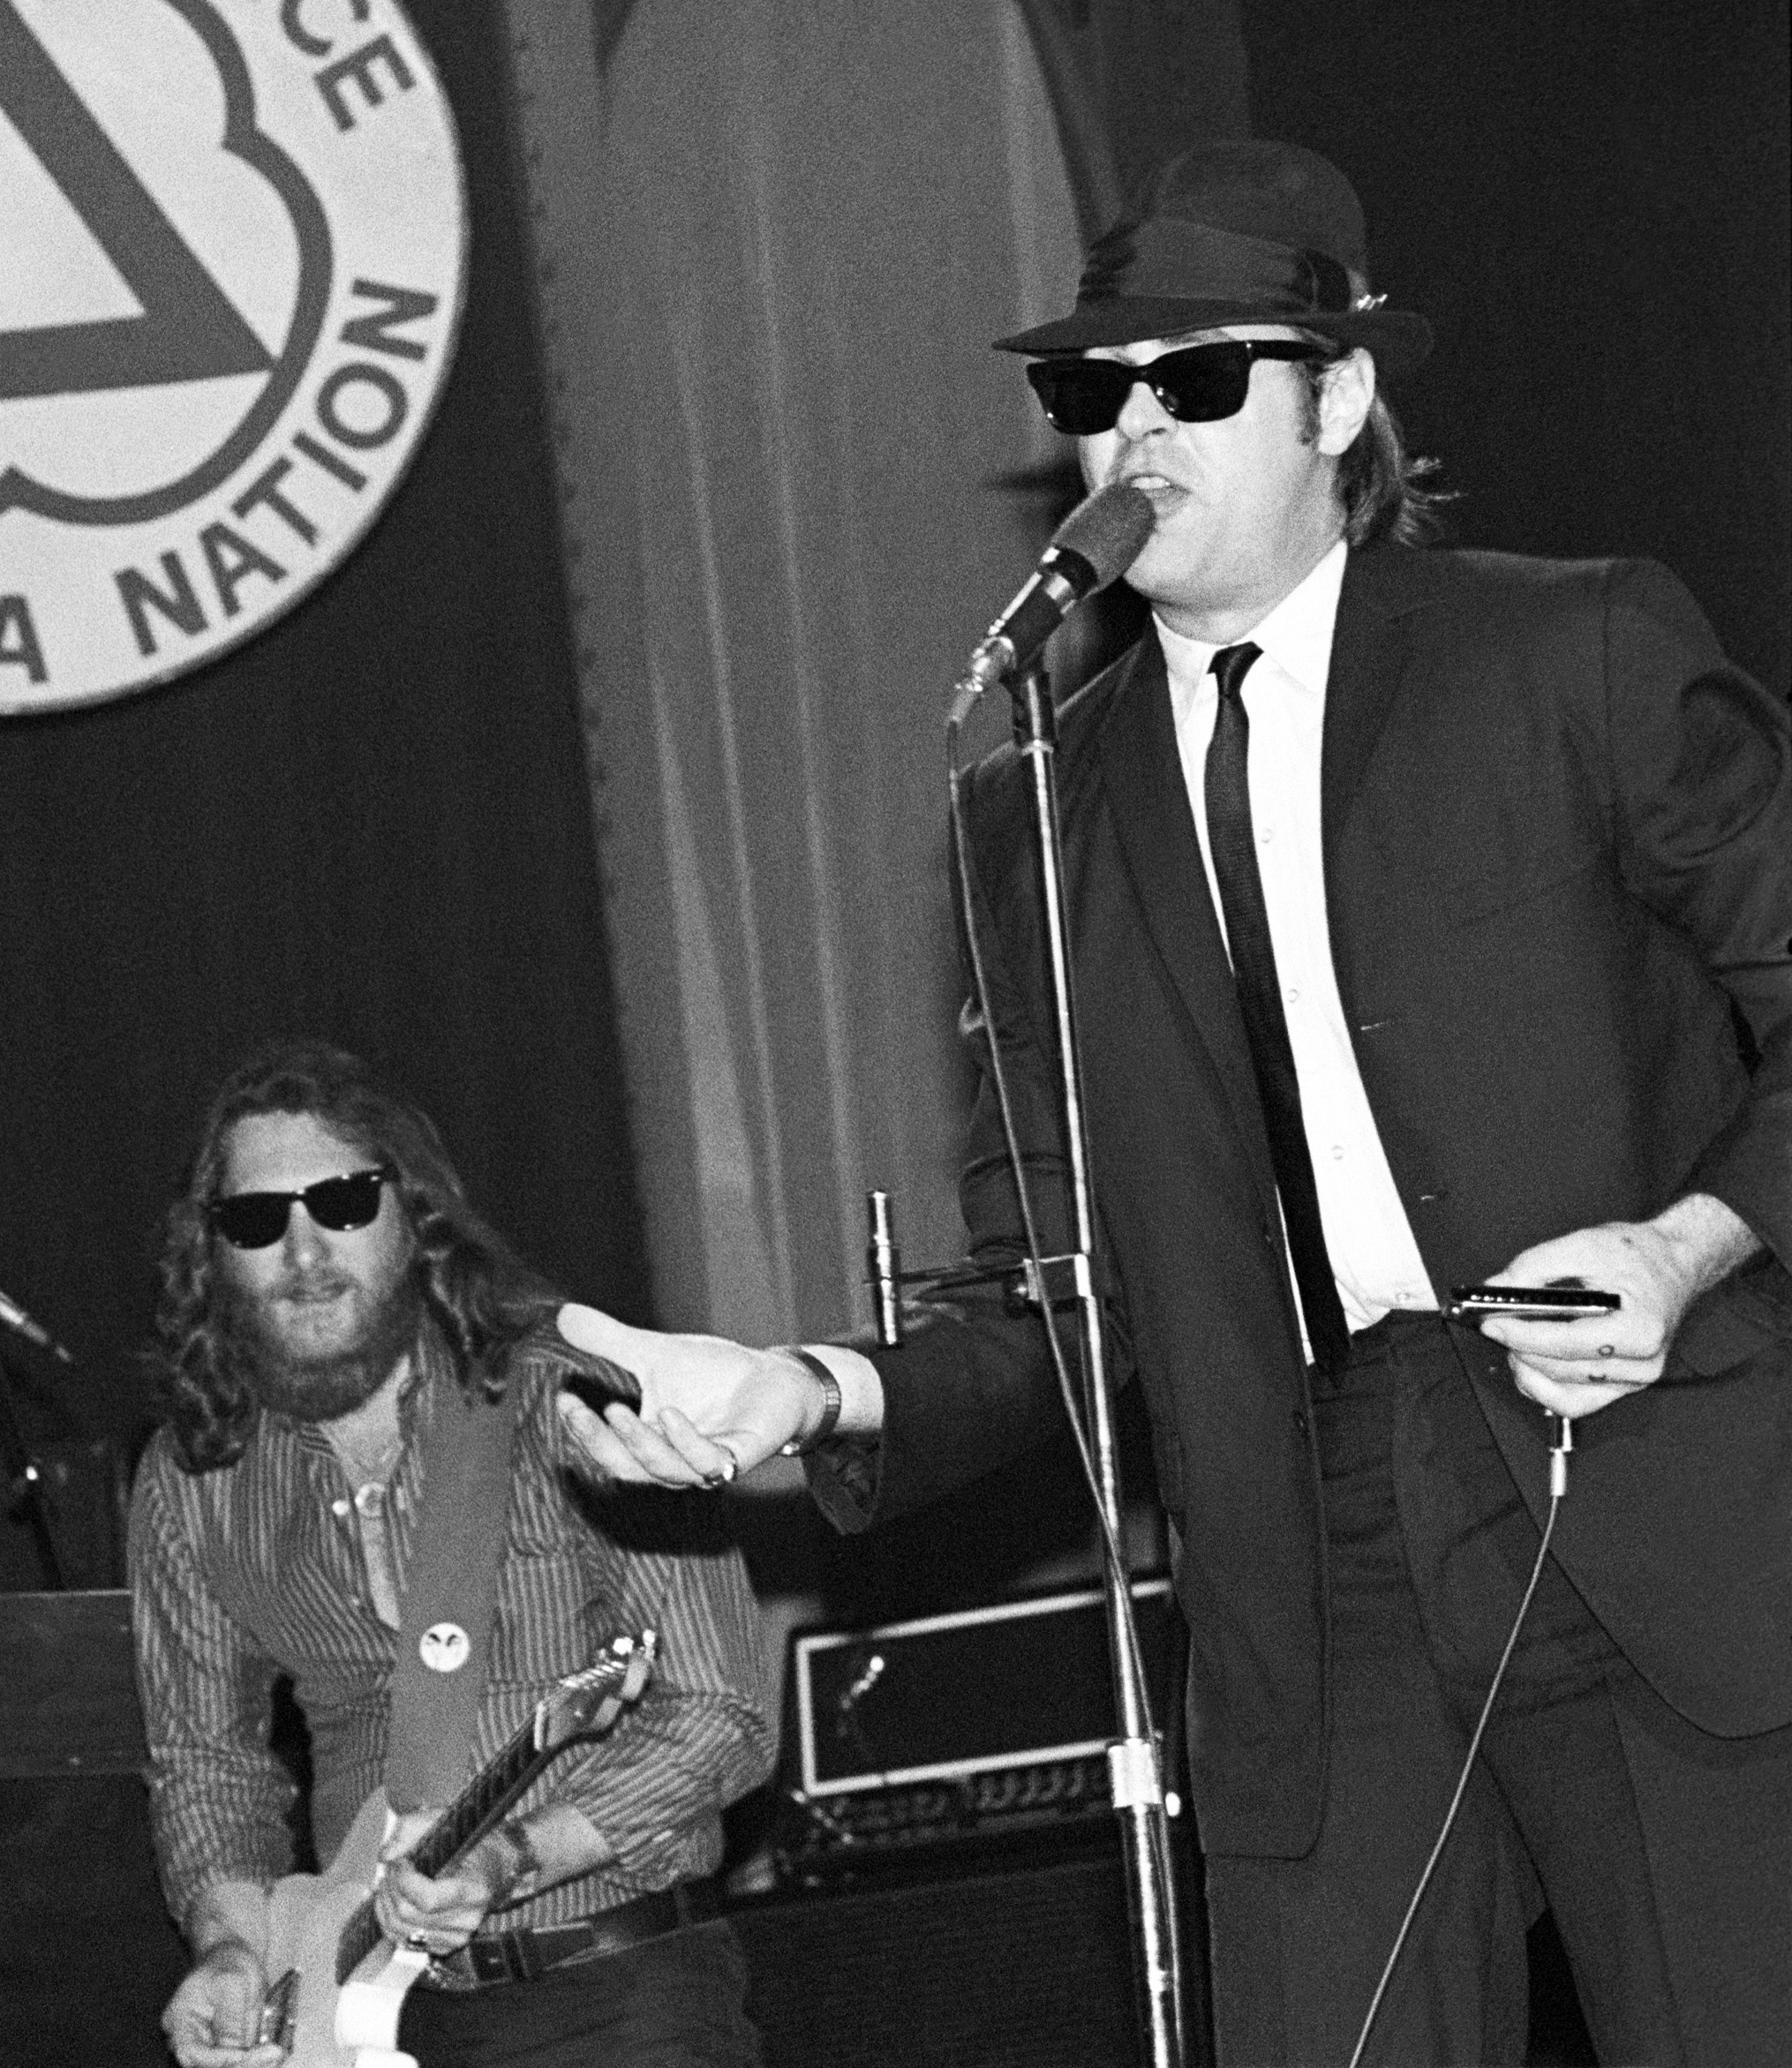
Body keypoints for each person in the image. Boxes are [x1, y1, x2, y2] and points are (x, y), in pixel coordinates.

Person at [558, 141, 1792, 2064]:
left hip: (1624, 1486)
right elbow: (1051, 1279)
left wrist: (1680, 1243)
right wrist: (809, 1392)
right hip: (1309, 1555)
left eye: (1191, 380)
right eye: (1086, 390)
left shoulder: (1570, 653)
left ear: (1340, 398)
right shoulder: (1029, 811)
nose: (1127, 430)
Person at [131, 1042, 775, 2068]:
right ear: (211, 1254)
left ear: (415, 1214)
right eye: (257, 1220)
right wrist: (226, 1948)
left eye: (341, 1202)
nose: (302, 1251)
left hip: (613, 1988)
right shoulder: (193, 1478)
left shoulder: (573, 1399)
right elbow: (208, 1764)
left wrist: (514, 1858)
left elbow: (722, 1713)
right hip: (361, 2015)